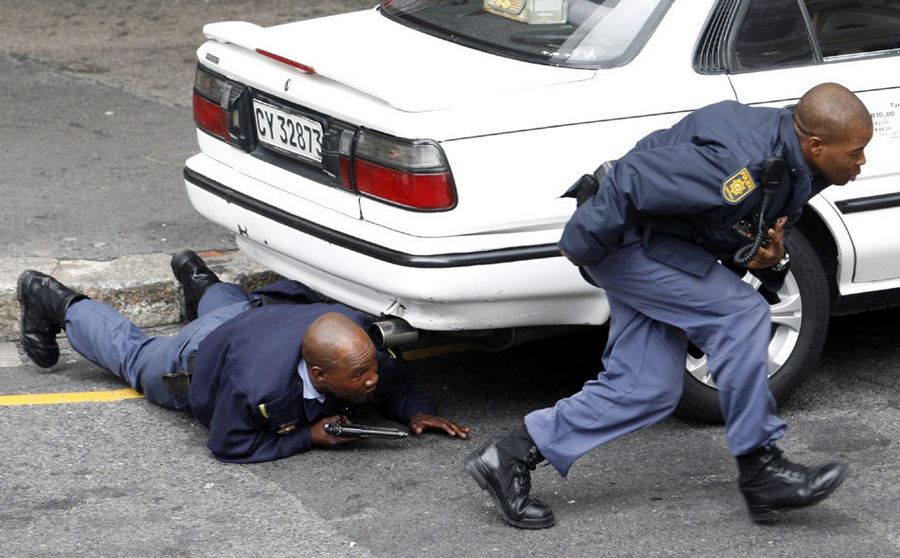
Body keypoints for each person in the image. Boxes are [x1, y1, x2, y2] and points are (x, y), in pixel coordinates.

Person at [466, 82, 873, 528]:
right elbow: (632, 178)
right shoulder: (739, 161)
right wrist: (580, 242)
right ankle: (762, 470)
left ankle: (505, 457)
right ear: (816, 144)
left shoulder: (793, 165)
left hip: (665, 243)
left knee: (648, 386)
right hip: (629, 241)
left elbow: (751, 230)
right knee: (742, 313)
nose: (862, 162)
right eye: (855, 152)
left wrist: (770, 259)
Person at [17, 250, 469, 463]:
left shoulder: (355, 346)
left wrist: (418, 411)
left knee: (235, 314)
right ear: (319, 374)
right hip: (200, 354)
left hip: (253, 316)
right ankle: (54, 299)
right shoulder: (258, 387)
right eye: (361, 376)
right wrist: (307, 437)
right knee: (134, 357)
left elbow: (393, 376)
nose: (373, 378)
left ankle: (200, 281)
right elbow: (228, 444)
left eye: (371, 368)